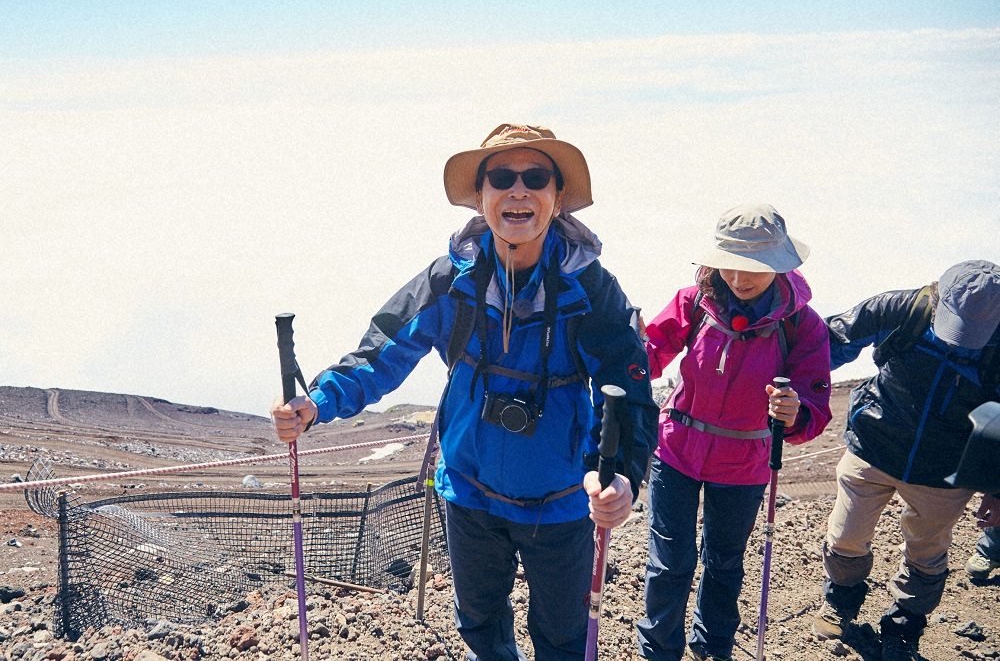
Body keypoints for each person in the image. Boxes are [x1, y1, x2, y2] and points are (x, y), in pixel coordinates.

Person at [271, 124, 657, 661]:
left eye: (535, 177)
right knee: (479, 627)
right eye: (501, 177)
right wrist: (319, 401)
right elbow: (384, 351)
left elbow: (628, 390)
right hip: (470, 495)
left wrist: (621, 476)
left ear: (557, 196)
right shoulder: (451, 278)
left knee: (564, 640)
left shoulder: (589, 288)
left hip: (566, 497)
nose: (517, 190)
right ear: (480, 197)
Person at [636, 204, 833, 661]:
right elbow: (647, 355)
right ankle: (658, 652)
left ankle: (713, 649)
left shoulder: (803, 325)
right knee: (670, 563)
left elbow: (814, 408)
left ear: (779, 264)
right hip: (676, 450)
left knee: (724, 563)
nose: (740, 279)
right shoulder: (693, 300)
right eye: (731, 264)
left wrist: (793, 412)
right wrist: (620, 361)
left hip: (744, 464)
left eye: (755, 268)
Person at [812, 260, 1000, 661]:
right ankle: (842, 602)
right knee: (845, 536)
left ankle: (903, 627)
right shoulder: (902, 309)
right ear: (938, 299)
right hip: (873, 444)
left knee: (927, 552)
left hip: (945, 469)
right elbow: (823, 345)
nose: (961, 342)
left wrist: (999, 492)